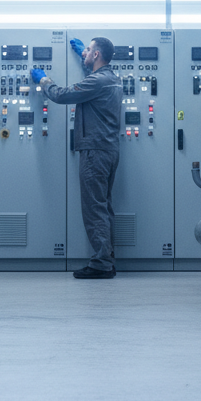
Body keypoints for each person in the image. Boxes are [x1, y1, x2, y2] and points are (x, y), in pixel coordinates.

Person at [31, 37, 122, 279]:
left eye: (89, 50)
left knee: (94, 207)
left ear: (97, 55)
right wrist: (85, 58)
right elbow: (93, 80)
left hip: (95, 151)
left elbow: (61, 95)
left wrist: (43, 80)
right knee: (103, 206)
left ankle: (102, 263)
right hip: (109, 150)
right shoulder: (112, 78)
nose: (86, 53)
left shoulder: (98, 81)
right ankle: (107, 258)